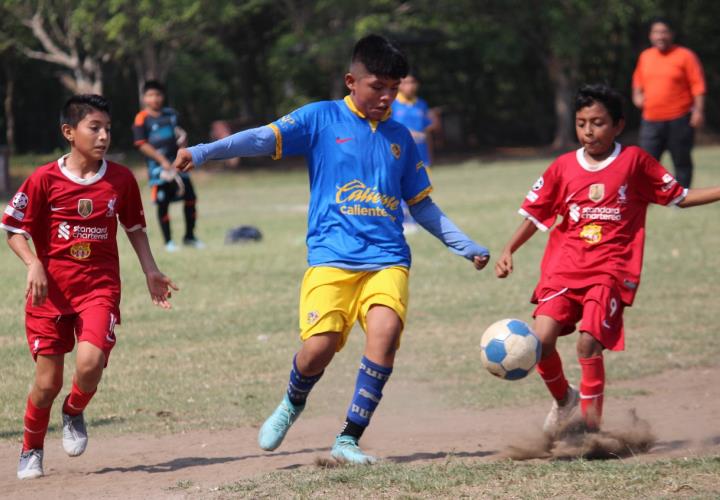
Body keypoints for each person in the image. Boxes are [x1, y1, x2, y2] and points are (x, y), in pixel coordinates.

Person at [173, 34, 490, 464]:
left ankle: (347, 439)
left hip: (388, 259)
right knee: (318, 349)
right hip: (331, 259)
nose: (386, 97)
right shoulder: (321, 119)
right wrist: (205, 151)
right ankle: (292, 401)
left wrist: (464, 245)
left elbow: (423, 206)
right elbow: (263, 138)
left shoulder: (401, 137)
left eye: (393, 89)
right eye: (378, 87)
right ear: (351, 81)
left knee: (385, 335)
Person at [494, 84, 720, 436]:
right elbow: (536, 215)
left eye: (598, 123)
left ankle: (589, 431)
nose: (588, 131)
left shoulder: (634, 162)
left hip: (609, 271)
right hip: (563, 268)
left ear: (617, 125)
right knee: (541, 340)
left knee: (588, 343)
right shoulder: (563, 166)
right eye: (582, 123)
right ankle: (564, 400)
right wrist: (509, 249)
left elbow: (680, 196)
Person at [2, 94, 178, 480]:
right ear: (69, 132)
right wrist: (33, 264)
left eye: (108, 129)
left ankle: (75, 410)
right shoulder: (44, 179)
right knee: (46, 384)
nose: (103, 136)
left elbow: (134, 227)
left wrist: (151, 270)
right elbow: (13, 228)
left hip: (98, 289)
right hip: (50, 296)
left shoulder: (120, 180)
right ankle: (31, 447)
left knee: (90, 362)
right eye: (93, 128)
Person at [632, 17, 706, 188]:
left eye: (664, 32)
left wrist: (699, 111)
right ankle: (646, 198)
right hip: (650, 119)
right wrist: (637, 96)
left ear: (671, 34)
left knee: (681, 160)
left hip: (679, 118)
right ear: (651, 35)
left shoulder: (685, 56)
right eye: (656, 32)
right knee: (646, 161)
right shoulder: (645, 56)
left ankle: (682, 199)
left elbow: (698, 85)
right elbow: (638, 81)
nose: (660, 36)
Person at [133, 80, 204, 251]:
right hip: (158, 170)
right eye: (150, 95)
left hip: (178, 166)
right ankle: (168, 242)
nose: (154, 98)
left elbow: (180, 135)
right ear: (144, 98)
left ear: (163, 96)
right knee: (163, 202)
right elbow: (141, 143)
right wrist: (162, 161)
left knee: (190, 198)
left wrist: (183, 146)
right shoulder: (142, 118)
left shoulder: (172, 115)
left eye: (157, 95)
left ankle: (190, 237)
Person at [391, 73, 440, 233]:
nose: (409, 86)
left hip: (421, 154)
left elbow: (429, 126)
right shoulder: (392, 104)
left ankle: (413, 220)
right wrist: (408, 134)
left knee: (419, 189)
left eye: (412, 82)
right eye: (405, 83)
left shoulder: (421, 104)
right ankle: (402, 220)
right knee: (399, 187)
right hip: (400, 155)